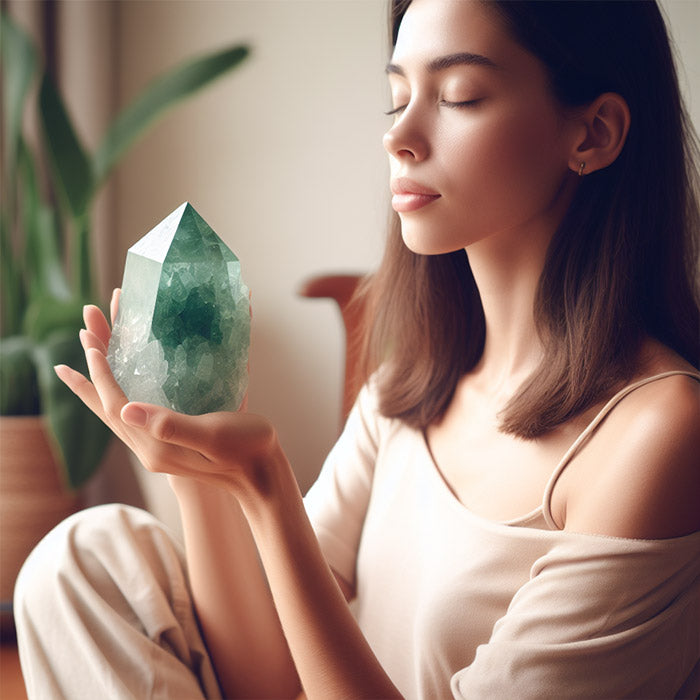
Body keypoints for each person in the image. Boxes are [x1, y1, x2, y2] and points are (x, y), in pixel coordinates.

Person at [14, 0, 700, 698]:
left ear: (595, 132)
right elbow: (267, 681)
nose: (398, 135)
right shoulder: (408, 390)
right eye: (398, 97)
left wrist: (267, 485)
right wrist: (199, 471)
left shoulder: (657, 431)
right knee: (81, 558)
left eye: (459, 96)